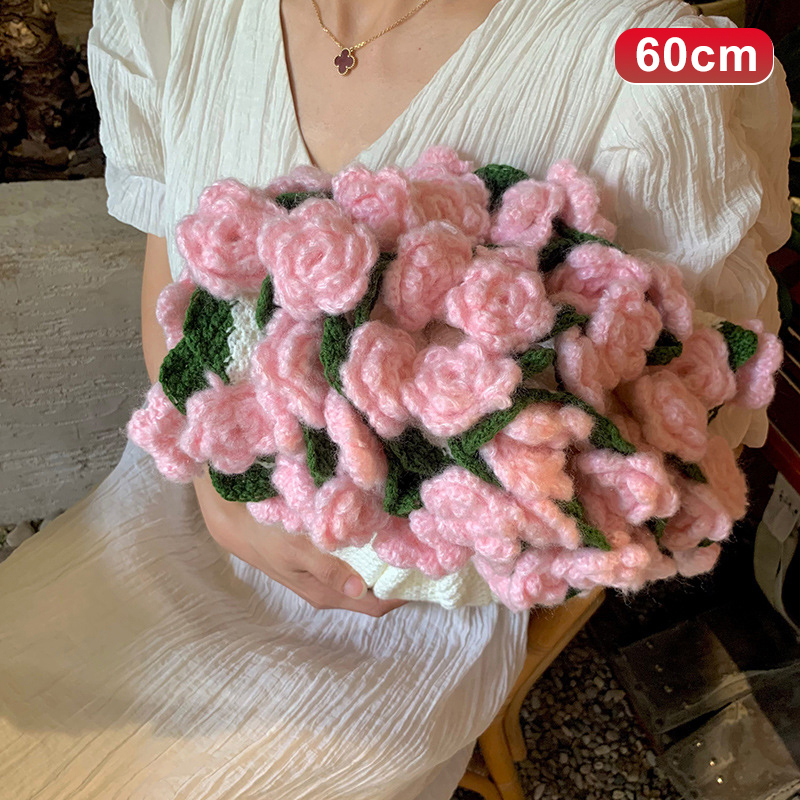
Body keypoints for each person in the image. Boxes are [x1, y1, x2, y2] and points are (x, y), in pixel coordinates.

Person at [0, 0, 791, 797]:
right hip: (184, 499)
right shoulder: (167, 12)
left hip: (413, 614)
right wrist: (219, 486)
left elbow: (666, 444)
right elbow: (171, 287)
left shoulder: (661, 61)